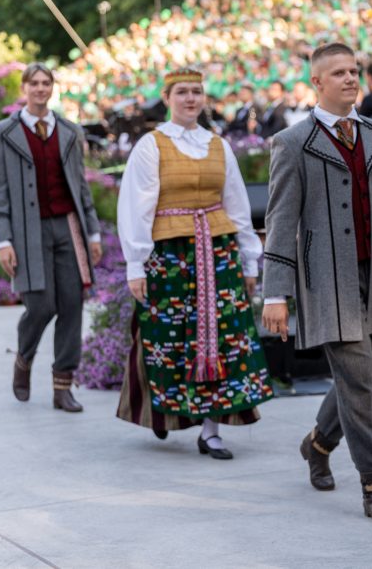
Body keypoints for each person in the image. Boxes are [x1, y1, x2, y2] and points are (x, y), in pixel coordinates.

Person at [260, 43, 372, 524]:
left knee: (368, 376)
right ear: (316, 83)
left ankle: (318, 443)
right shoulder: (292, 142)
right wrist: (275, 293)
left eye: (354, 71)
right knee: (360, 383)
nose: (349, 79)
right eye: (338, 73)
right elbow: (280, 222)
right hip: (326, 282)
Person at [115, 68, 273, 456]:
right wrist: (136, 263)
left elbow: (237, 205)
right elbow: (135, 207)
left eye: (197, 92)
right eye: (182, 92)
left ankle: (210, 429)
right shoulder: (152, 145)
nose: (190, 99)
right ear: (167, 97)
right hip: (170, 255)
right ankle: (163, 414)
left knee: (223, 337)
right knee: (166, 337)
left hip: (218, 252)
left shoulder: (217, 145)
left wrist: (250, 260)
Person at [0, 62, 102, 412]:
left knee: (72, 303)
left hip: (67, 226)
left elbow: (81, 187)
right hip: (26, 229)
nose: (40, 89)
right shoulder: (1, 134)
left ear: (52, 88)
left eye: (46, 83)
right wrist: (3, 241)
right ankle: (24, 358)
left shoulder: (69, 131)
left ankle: (62, 387)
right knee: (40, 305)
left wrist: (93, 232)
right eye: (34, 83)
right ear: (24, 88)